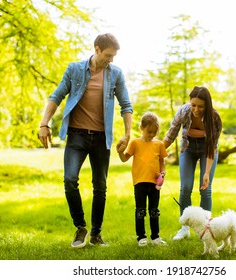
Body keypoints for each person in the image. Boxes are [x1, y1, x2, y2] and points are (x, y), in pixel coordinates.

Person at [38, 33, 133, 248]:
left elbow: (126, 105)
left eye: (114, 56)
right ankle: (80, 227)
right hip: (77, 136)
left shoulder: (116, 74)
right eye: (108, 55)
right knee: (70, 180)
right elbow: (57, 95)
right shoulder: (75, 69)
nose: (111, 60)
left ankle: (96, 235)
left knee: (100, 186)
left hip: (102, 138)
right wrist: (44, 123)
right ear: (97, 49)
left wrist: (128, 133)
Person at [163, 86, 222, 240]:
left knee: (205, 189)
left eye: (200, 106)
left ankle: (207, 228)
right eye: (193, 105)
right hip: (188, 149)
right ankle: (185, 228)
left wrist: (207, 173)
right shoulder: (184, 111)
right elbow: (171, 134)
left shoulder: (214, 118)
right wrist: (157, 151)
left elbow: (212, 147)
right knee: (186, 187)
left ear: (207, 105)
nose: (196, 109)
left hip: (207, 150)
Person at [117, 112, 168, 247]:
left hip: (154, 183)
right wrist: (119, 151)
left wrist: (162, 172)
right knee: (140, 210)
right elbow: (124, 159)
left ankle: (155, 237)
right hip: (139, 182)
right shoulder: (135, 143)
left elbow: (162, 161)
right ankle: (141, 237)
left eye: (154, 132)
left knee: (154, 210)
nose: (152, 135)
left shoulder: (159, 144)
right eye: (149, 131)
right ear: (142, 128)